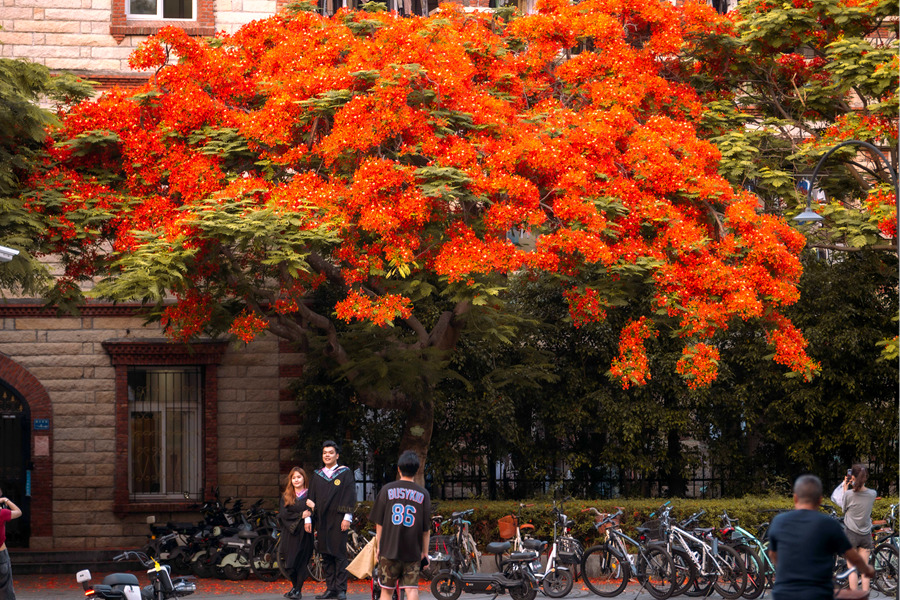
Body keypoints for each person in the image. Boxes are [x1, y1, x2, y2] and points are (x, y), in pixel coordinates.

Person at [768, 474, 874, 600]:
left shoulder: (778, 522)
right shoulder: (829, 524)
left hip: (783, 595)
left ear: (795, 498)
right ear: (820, 500)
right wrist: (867, 569)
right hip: (818, 594)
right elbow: (853, 557)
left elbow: (773, 554)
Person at [369, 451, 431, 600]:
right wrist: (424, 553)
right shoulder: (423, 494)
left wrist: (379, 546)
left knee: (386, 591)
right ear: (417, 470)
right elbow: (425, 530)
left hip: (389, 550)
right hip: (412, 551)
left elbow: (380, 523)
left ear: (398, 469)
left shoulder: (386, 490)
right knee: (411, 590)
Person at [306, 441, 356, 600]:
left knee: (339, 555)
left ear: (337, 455)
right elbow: (310, 498)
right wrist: (309, 518)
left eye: (330, 452)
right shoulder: (317, 475)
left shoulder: (345, 473)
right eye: (324, 453)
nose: (327, 455)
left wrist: (347, 517)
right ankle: (330, 588)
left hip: (339, 519)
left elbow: (349, 495)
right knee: (325, 554)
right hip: (322, 520)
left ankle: (341, 589)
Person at [279, 467, 316, 599]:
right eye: (294, 477)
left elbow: (316, 513)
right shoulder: (287, 496)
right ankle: (295, 587)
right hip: (290, 533)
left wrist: (312, 509)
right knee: (289, 564)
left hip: (305, 534)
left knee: (301, 562)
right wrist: (301, 515)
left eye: (299, 477)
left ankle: (298, 591)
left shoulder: (310, 495)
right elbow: (284, 514)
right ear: (291, 480)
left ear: (303, 478)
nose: (296, 480)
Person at [840, 465, 877, 593]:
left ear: (853, 477)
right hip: (866, 534)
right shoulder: (873, 494)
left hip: (851, 534)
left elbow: (843, 509)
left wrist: (845, 488)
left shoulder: (849, 494)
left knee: (852, 570)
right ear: (866, 478)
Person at [0, 488, 22, 600]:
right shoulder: (2, 513)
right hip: (1, 554)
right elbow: (19, 512)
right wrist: (6, 500)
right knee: (6, 590)